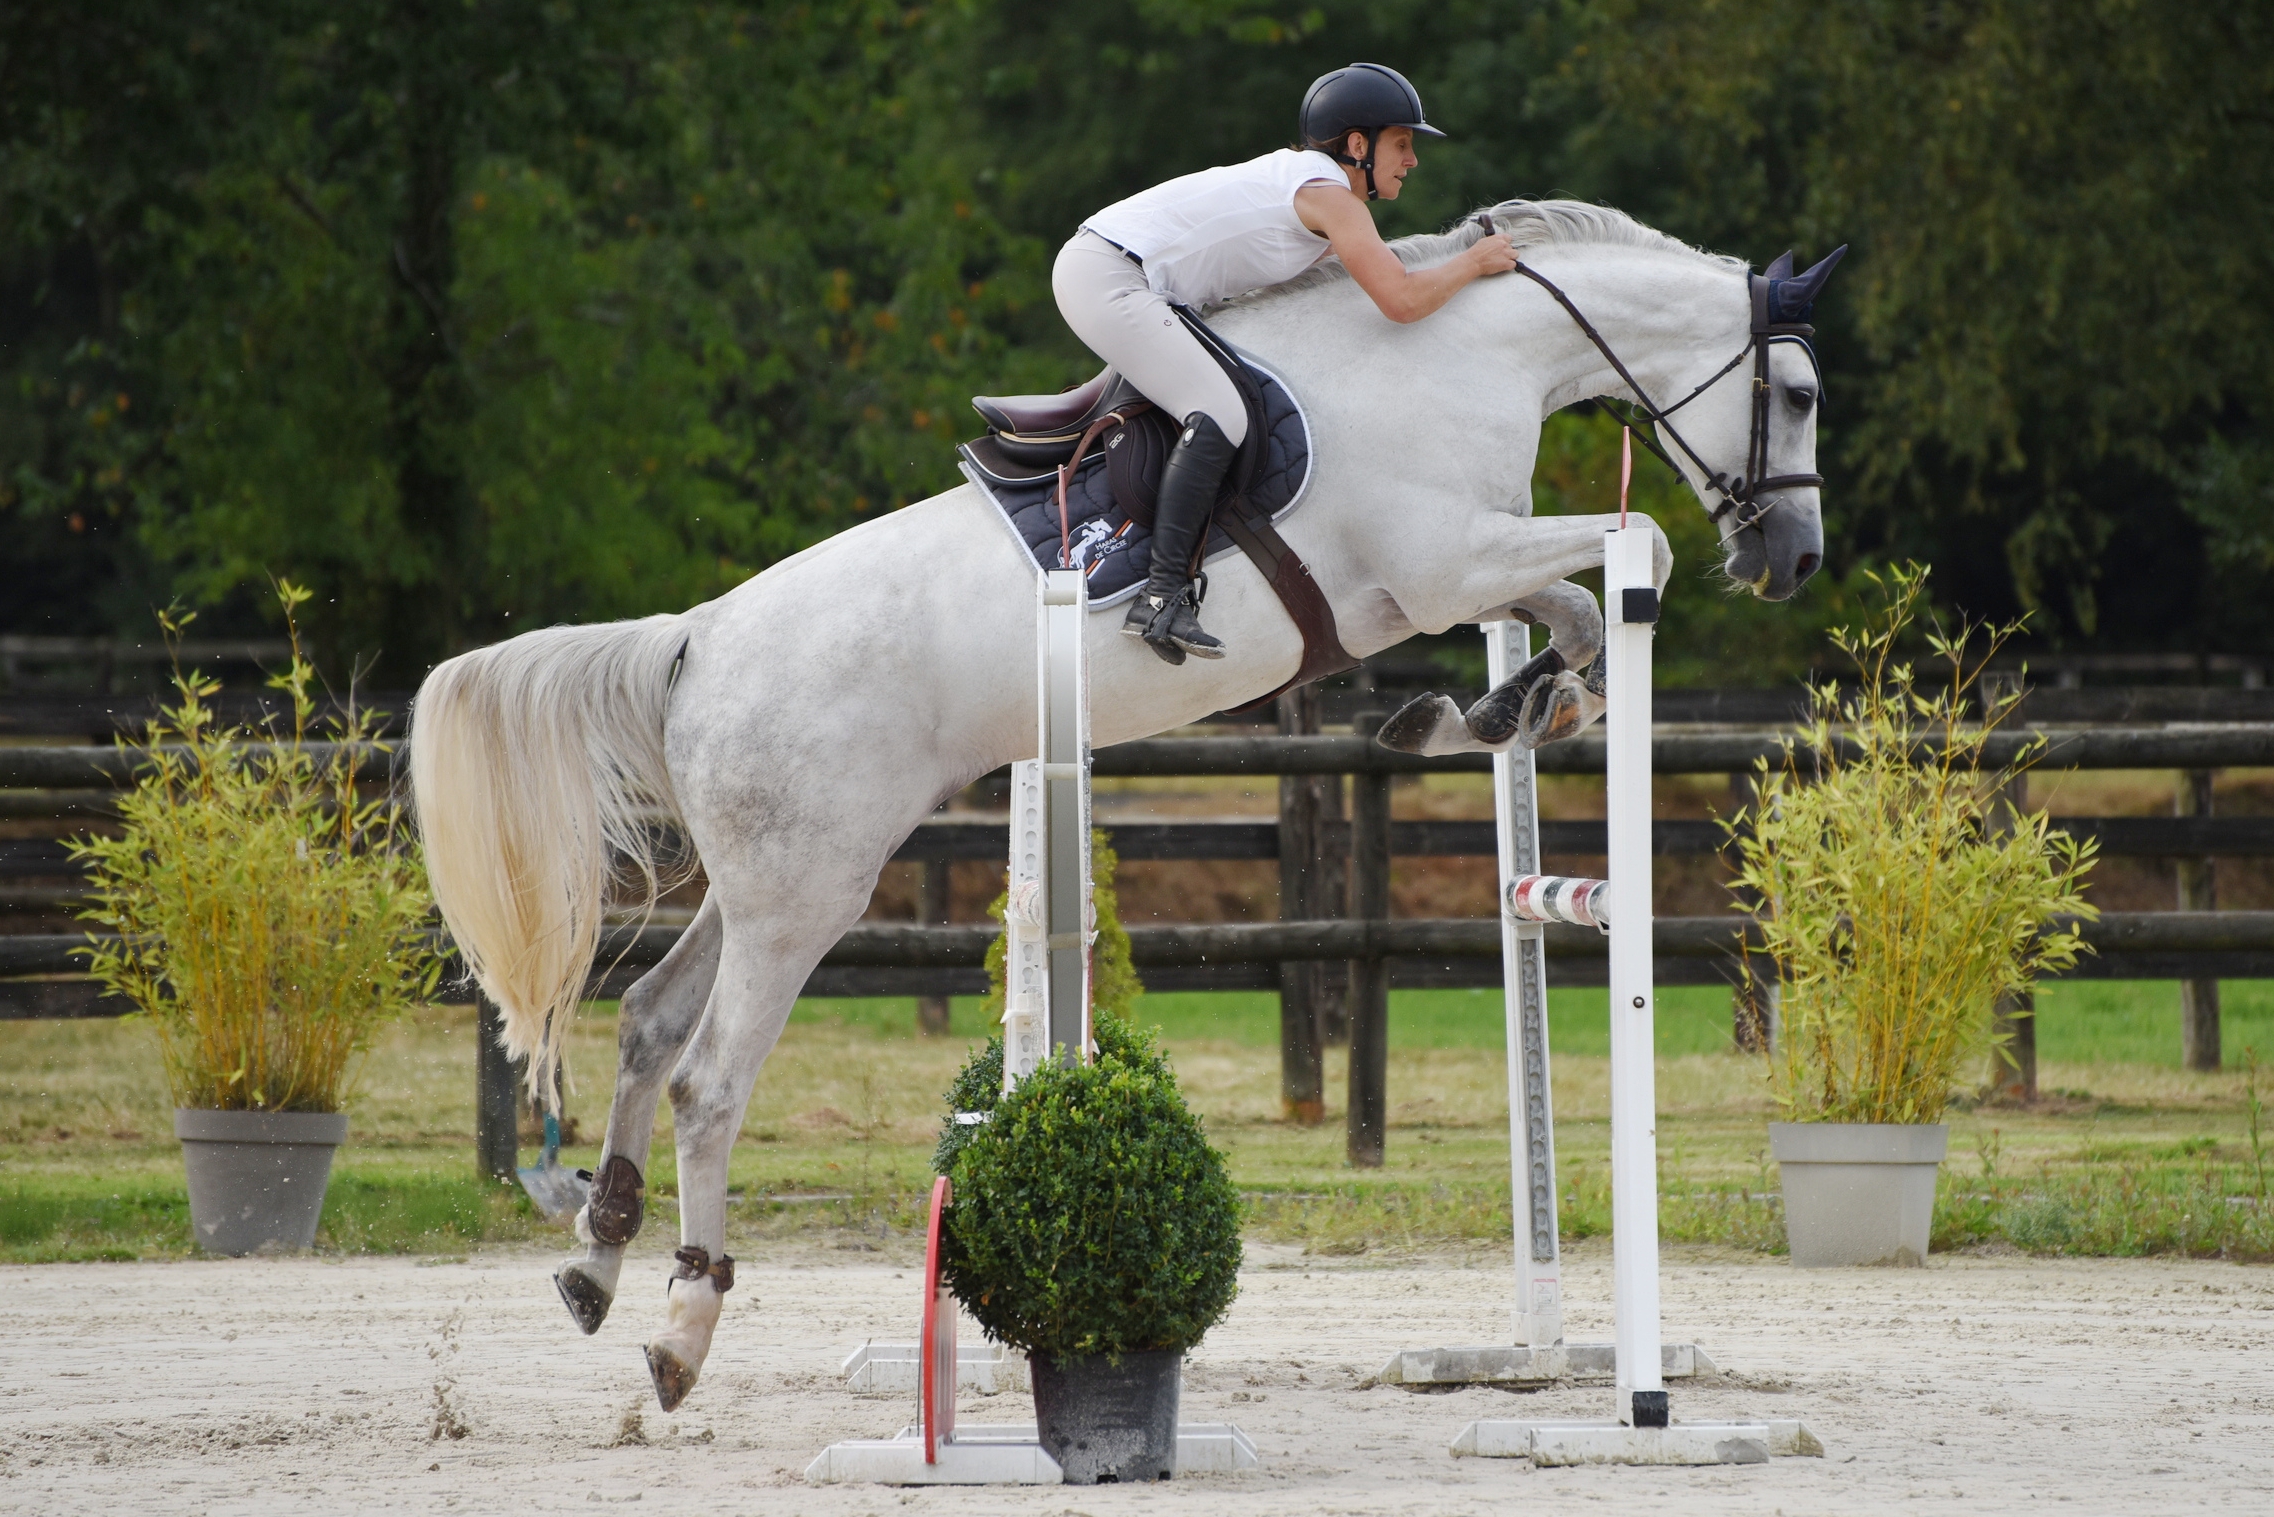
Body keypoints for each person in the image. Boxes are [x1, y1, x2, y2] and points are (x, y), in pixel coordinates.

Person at [1058, 63, 1520, 665]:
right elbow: (1402, 300)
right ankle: (1161, 595)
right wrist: (1473, 262)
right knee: (1222, 411)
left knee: (1231, 399)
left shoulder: (1320, 196)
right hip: (1112, 276)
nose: (1411, 161)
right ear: (1359, 145)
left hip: (1123, 275)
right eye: (1402, 144)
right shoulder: (1330, 197)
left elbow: (1368, 296)